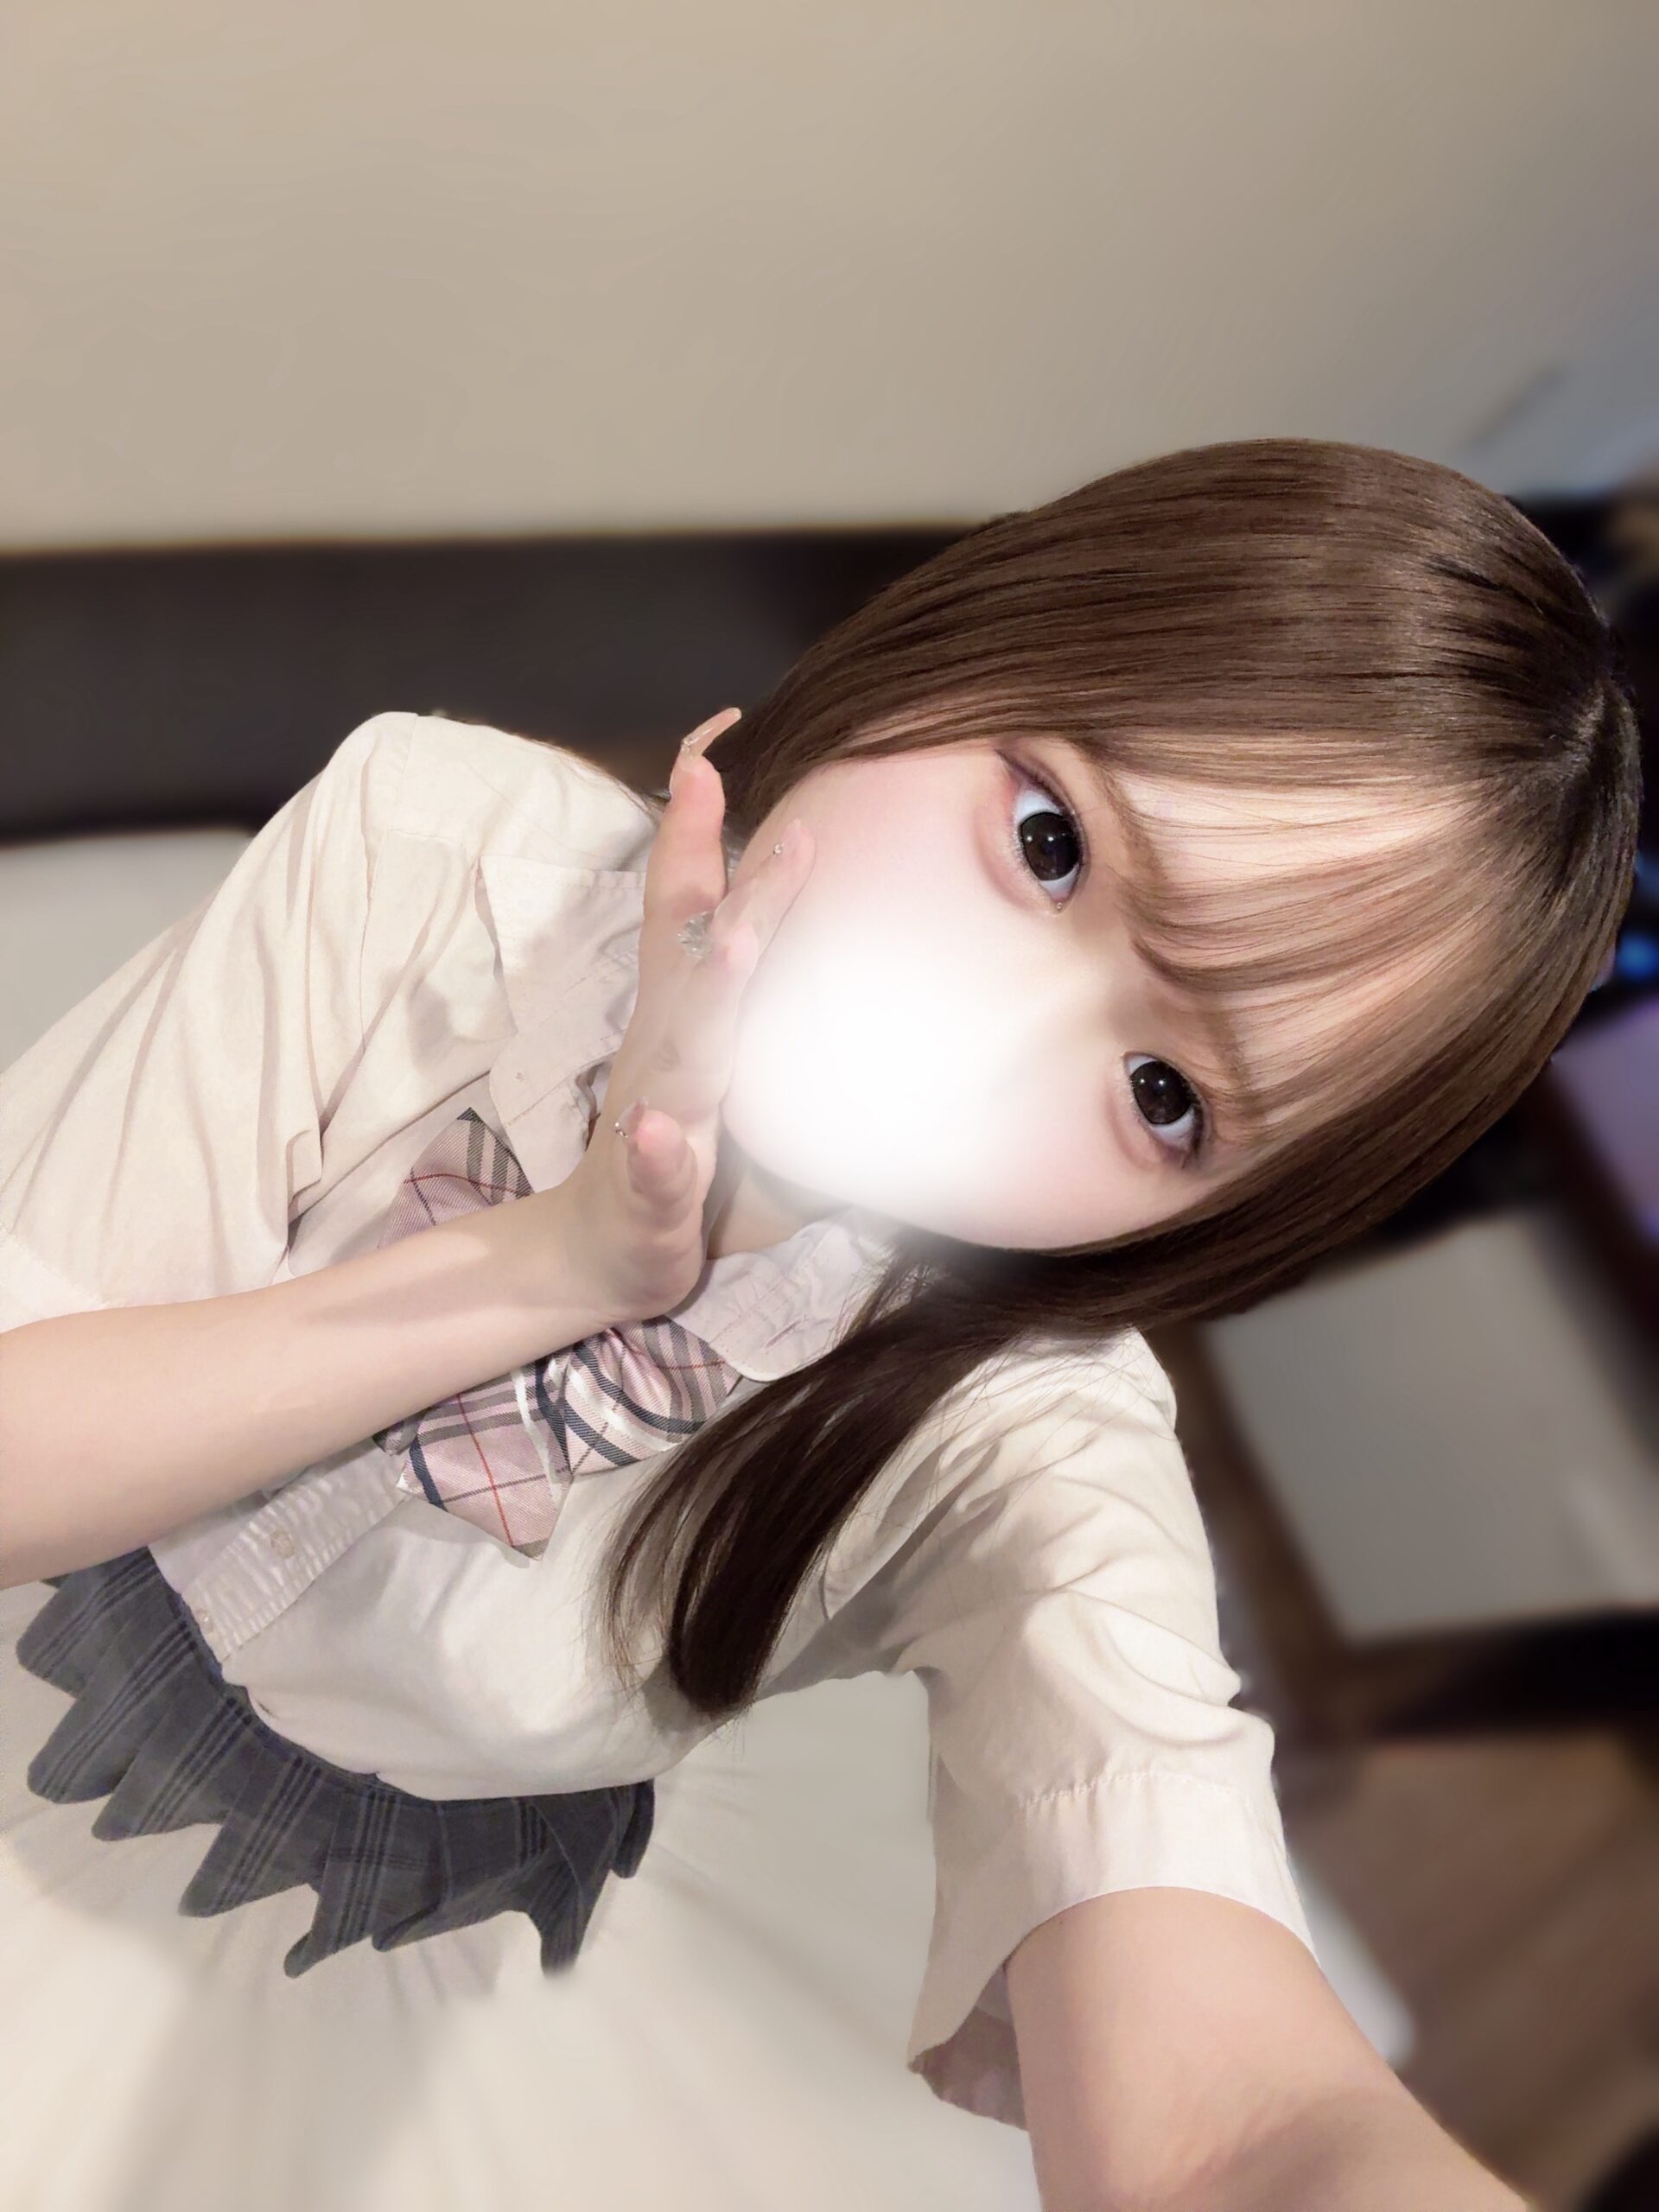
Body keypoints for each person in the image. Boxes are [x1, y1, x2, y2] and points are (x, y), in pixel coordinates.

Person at [0, 436, 1635, 2210]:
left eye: (1165, 1094)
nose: (998, 1039)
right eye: (1049, 844)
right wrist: (559, 1261)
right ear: (967, 644)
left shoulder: (1027, 1437)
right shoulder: (431, 853)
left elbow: (1242, 2131)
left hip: (328, 1940)